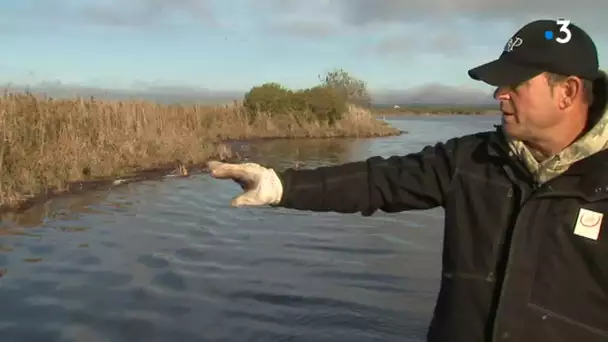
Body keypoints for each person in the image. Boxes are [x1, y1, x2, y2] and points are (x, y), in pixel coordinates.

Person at [207, 19, 608, 342]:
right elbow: (378, 180)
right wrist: (281, 186)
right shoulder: (471, 160)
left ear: (568, 92)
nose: (499, 94)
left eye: (515, 85)